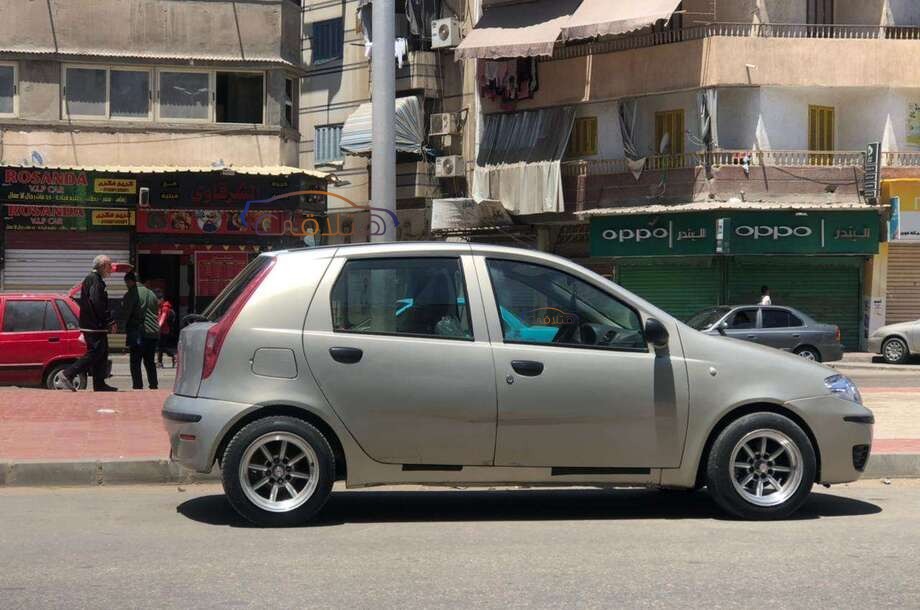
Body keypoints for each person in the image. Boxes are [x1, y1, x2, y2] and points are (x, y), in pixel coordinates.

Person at [62, 255, 118, 392]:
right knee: (95, 352)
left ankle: (99, 383)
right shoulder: (94, 280)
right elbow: (97, 302)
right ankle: (68, 374)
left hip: (95, 325)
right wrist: (109, 320)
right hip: (94, 325)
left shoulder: (94, 280)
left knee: (102, 353)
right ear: (103, 265)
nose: (111, 269)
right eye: (109, 266)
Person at [122, 272, 160, 390]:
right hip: (153, 332)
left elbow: (127, 313)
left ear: (130, 281)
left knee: (135, 361)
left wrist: (122, 326)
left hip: (138, 332)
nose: (126, 285)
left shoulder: (132, 293)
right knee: (149, 361)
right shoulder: (151, 293)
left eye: (126, 283)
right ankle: (153, 385)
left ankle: (138, 386)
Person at [156, 291, 178, 368]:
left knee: (161, 347)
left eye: (158, 300)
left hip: (164, 330)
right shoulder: (161, 307)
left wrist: (158, 327)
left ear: (161, 299)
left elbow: (163, 318)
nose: (157, 302)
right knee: (161, 347)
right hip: (162, 330)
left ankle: (174, 356)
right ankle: (159, 362)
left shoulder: (165, 308)